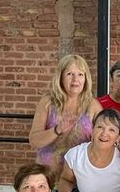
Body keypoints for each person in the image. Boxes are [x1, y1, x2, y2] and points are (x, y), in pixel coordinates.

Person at [28, 54, 103, 182]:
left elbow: (105, 138)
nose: (75, 79)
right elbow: (34, 141)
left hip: (81, 178)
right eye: (70, 74)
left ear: (86, 78)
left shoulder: (93, 105)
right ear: (60, 77)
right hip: (49, 177)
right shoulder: (47, 102)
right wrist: (56, 130)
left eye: (80, 74)